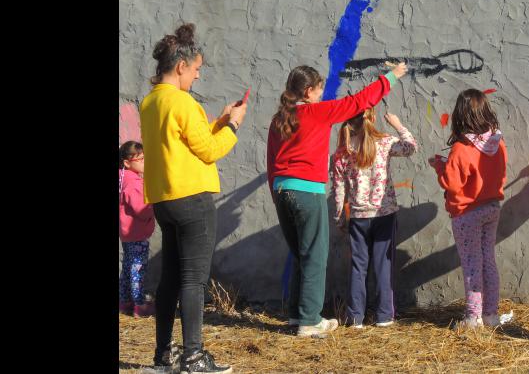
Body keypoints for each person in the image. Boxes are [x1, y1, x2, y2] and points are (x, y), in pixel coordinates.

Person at [266, 62, 407, 337]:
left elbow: (271, 159)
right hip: (307, 190)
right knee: (315, 255)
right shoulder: (316, 112)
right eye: (319, 90)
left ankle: (296, 314)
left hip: (283, 190)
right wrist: (392, 76)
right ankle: (310, 320)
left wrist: (276, 192)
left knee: (299, 253)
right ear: (308, 91)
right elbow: (360, 101)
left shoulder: (279, 119)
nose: (321, 95)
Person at [140, 23, 247, 373]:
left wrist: (218, 121)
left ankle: (163, 355)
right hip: (192, 199)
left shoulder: (151, 101)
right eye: (197, 70)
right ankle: (194, 356)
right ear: (182, 65)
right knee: (193, 281)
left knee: (170, 278)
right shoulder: (183, 102)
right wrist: (232, 126)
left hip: (164, 199)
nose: (197, 77)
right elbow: (210, 150)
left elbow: (186, 142)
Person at [428, 88, 507, 329]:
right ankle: (490, 315)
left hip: (466, 213)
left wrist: (440, 168)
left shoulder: (461, 149)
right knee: (488, 261)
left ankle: (473, 318)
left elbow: (452, 184)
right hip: (492, 207)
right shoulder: (497, 142)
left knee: (472, 265)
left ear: (459, 116)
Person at [332, 108, 417, 328]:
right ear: (372, 119)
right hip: (384, 214)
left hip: (358, 218)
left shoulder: (341, 153)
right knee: (383, 264)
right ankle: (384, 316)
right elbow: (410, 147)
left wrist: (340, 220)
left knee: (358, 267)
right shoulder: (385, 142)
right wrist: (398, 124)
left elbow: (338, 191)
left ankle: (355, 318)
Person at [119, 141, 156, 318]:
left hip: (126, 233)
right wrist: (154, 207)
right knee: (137, 269)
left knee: (127, 267)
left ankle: (124, 302)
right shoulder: (132, 183)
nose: (144, 162)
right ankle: (139, 306)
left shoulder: (122, 177)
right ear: (127, 163)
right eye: (140, 160)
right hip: (137, 233)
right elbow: (141, 209)